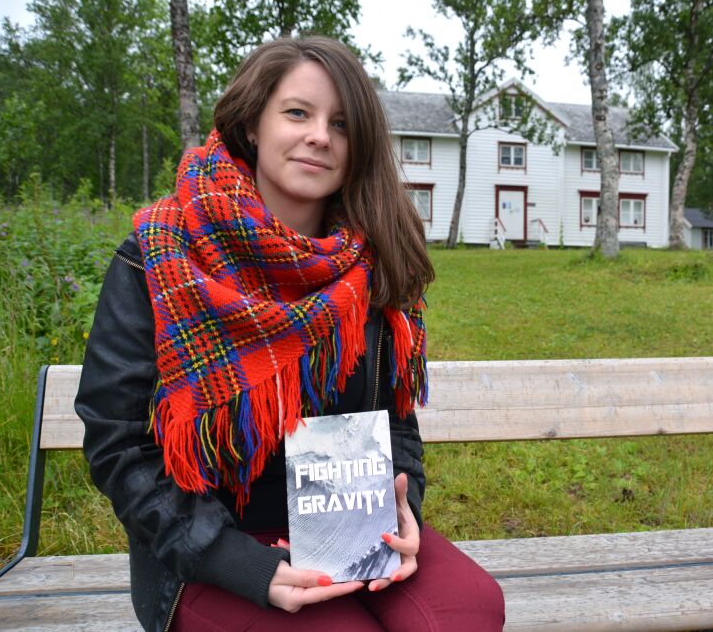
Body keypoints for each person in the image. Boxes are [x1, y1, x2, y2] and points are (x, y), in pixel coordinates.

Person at [75, 36, 505, 632]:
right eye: (298, 113)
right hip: (205, 552)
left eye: (342, 124)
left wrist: (405, 513)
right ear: (253, 123)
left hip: (353, 526)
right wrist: (239, 563)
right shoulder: (162, 257)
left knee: (466, 612)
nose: (321, 137)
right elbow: (119, 443)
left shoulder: (373, 263)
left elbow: (396, 420)